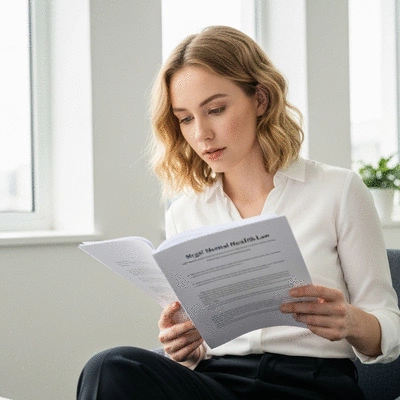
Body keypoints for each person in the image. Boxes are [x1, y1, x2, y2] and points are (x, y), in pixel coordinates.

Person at [77, 26, 400, 399]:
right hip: (221, 382)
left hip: (311, 384)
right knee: (110, 366)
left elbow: (389, 330)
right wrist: (185, 349)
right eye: (185, 118)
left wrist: (351, 321)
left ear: (260, 100)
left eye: (215, 110)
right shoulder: (185, 212)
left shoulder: (338, 190)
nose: (201, 134)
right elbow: (196, 348)